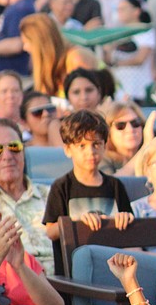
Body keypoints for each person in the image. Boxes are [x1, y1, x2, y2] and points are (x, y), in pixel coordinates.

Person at [42, 110, 134, 275]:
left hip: (112, 269)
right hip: (72, 272)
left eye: (96, 144)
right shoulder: (61, 186)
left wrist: (124, 219)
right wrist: (76, 222)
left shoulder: (115, 185)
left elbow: (128, 228)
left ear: (105, 146)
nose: (90, 152)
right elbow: (51, 231)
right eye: (81, 146)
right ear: (68, 149)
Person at [0, 119, 54, 274]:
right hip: (7, 288)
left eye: (14, 147)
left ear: (23, 152)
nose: (7, 156)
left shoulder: (52, 195)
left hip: (62, 282)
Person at [106, 0, 156, 103]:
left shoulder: (145, 31)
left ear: (136, 11)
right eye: (118, 9)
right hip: (119, 90)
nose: (119, 12)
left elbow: (140, 59)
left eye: (123, 9)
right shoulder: (117, 34)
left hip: (138, 89)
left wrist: (117, 63)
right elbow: (108, 59)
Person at [19, 13, 68, 98]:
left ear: (40, 42)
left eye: (27, 42)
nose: (25, 48)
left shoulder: (74, 59)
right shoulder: (47, 66)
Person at [99, 101, 146, 175]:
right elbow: (111, 184)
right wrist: (145, 148)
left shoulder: (153, 156)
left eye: (135, 123)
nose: (130, 129)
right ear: (109, 132)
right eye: (120, 125)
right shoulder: (100, 159)